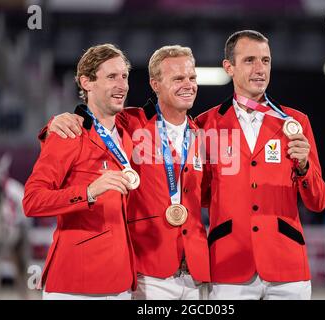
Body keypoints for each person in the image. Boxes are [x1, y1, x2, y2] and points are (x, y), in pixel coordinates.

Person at [40, 45, 210, 300]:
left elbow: (206, 194)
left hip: (196, 272)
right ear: (155, 84)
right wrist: (56, 122)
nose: (188, 84)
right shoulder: (131, 123)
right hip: (148, 271)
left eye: (192, 78)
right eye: (178, 78)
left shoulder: (201, 133)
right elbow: (91, 119)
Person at [195, 30, 325, 299]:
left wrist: (303, 167)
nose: (260, 69)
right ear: (228, 67)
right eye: (250, 60)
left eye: (265, 61)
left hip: (286, 264)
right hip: (229, 264)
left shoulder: (295, 122)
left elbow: (318, 201)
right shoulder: (205, 124)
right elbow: (200, 196)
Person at [23, 44, 137, 300]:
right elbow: (31, 201)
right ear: (87, 82)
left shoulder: (128, 131)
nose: (122, 85)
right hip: (76, 283)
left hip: (120, 281)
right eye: (111, 77)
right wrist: (89, 192)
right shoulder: (69, 133)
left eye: (124, 76)